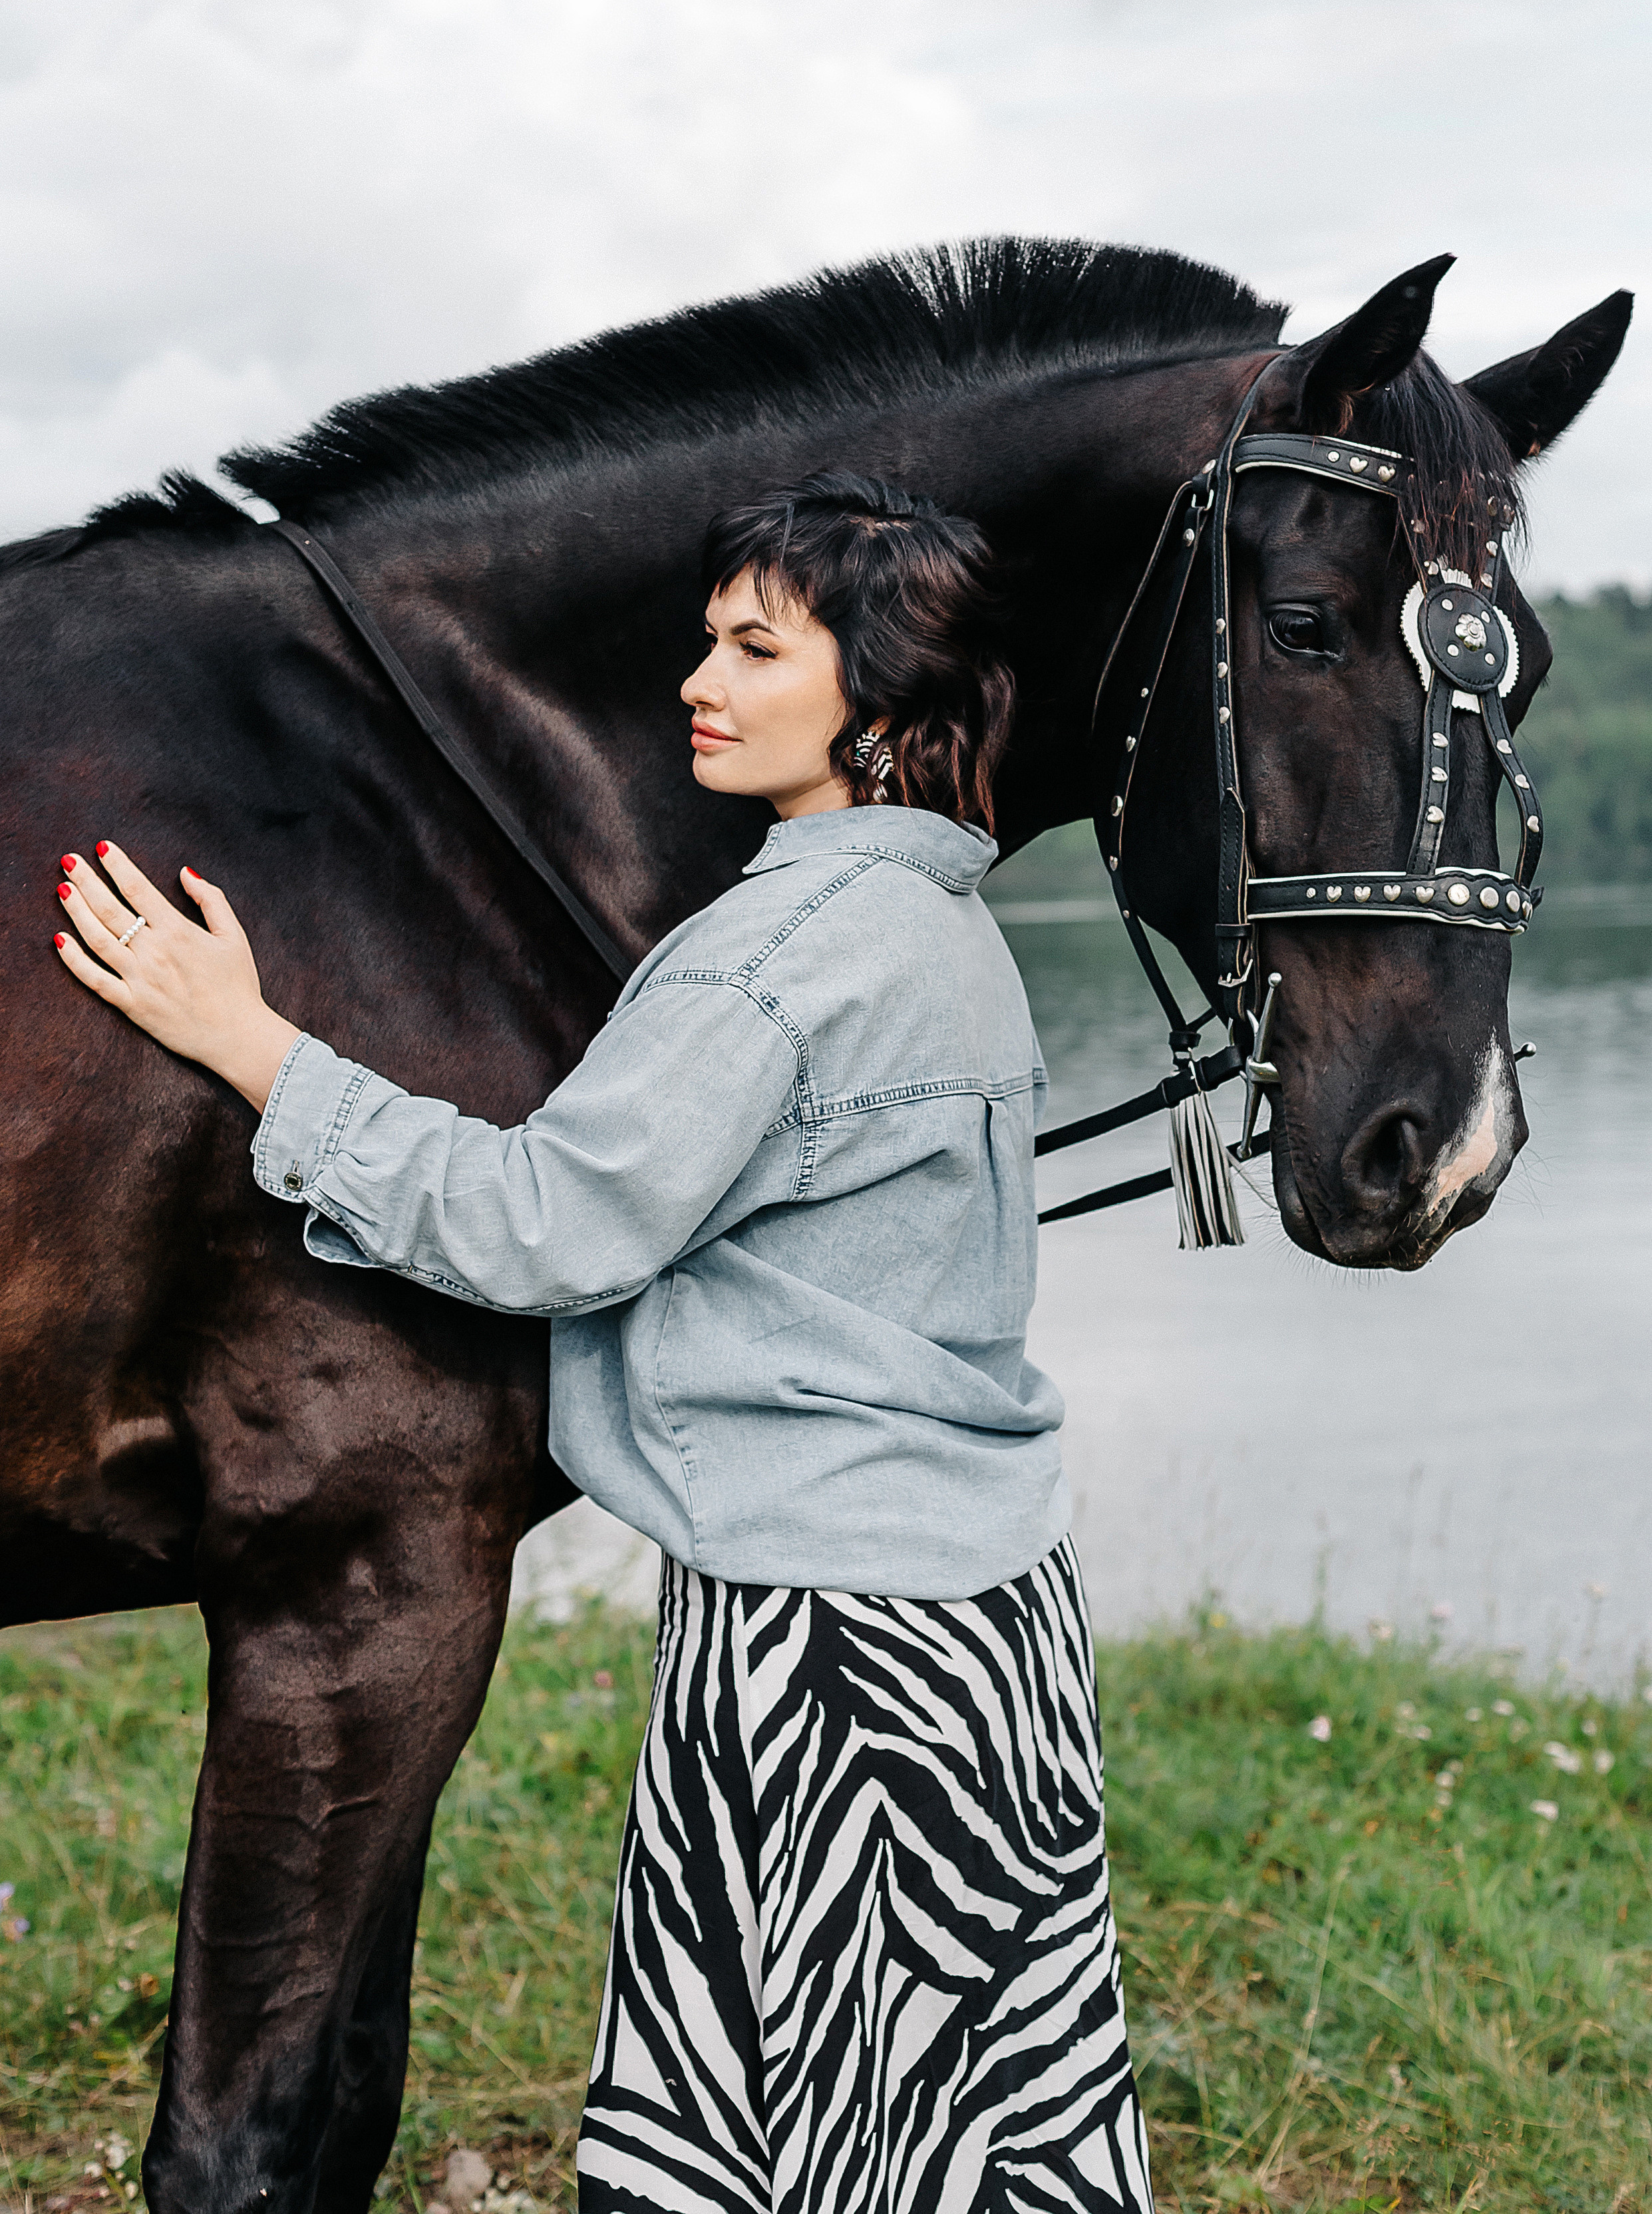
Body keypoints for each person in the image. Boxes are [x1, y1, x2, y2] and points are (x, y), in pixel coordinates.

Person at [52, 472, 1153, 2214]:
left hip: (824, 1642)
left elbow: (544, 1224)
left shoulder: (772, 952)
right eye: (703, 637)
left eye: (753, 646)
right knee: (970, 2109)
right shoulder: (948, 930)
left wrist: (251, 1043)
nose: (696, 680)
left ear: (873, 692)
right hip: (989, 1618)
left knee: (791, 2112)